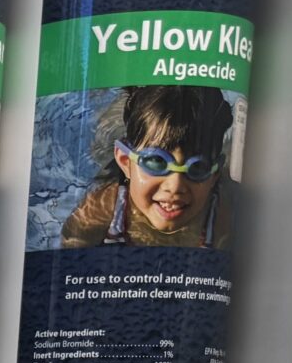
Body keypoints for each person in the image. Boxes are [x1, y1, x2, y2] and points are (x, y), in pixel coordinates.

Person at [61, 85, 236, 249]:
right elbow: (71, 248)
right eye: (156, 162)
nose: (175, 186)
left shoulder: (221, 218)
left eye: (197, 167)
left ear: (214, 175)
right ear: (125, 161)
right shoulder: (103, 208)